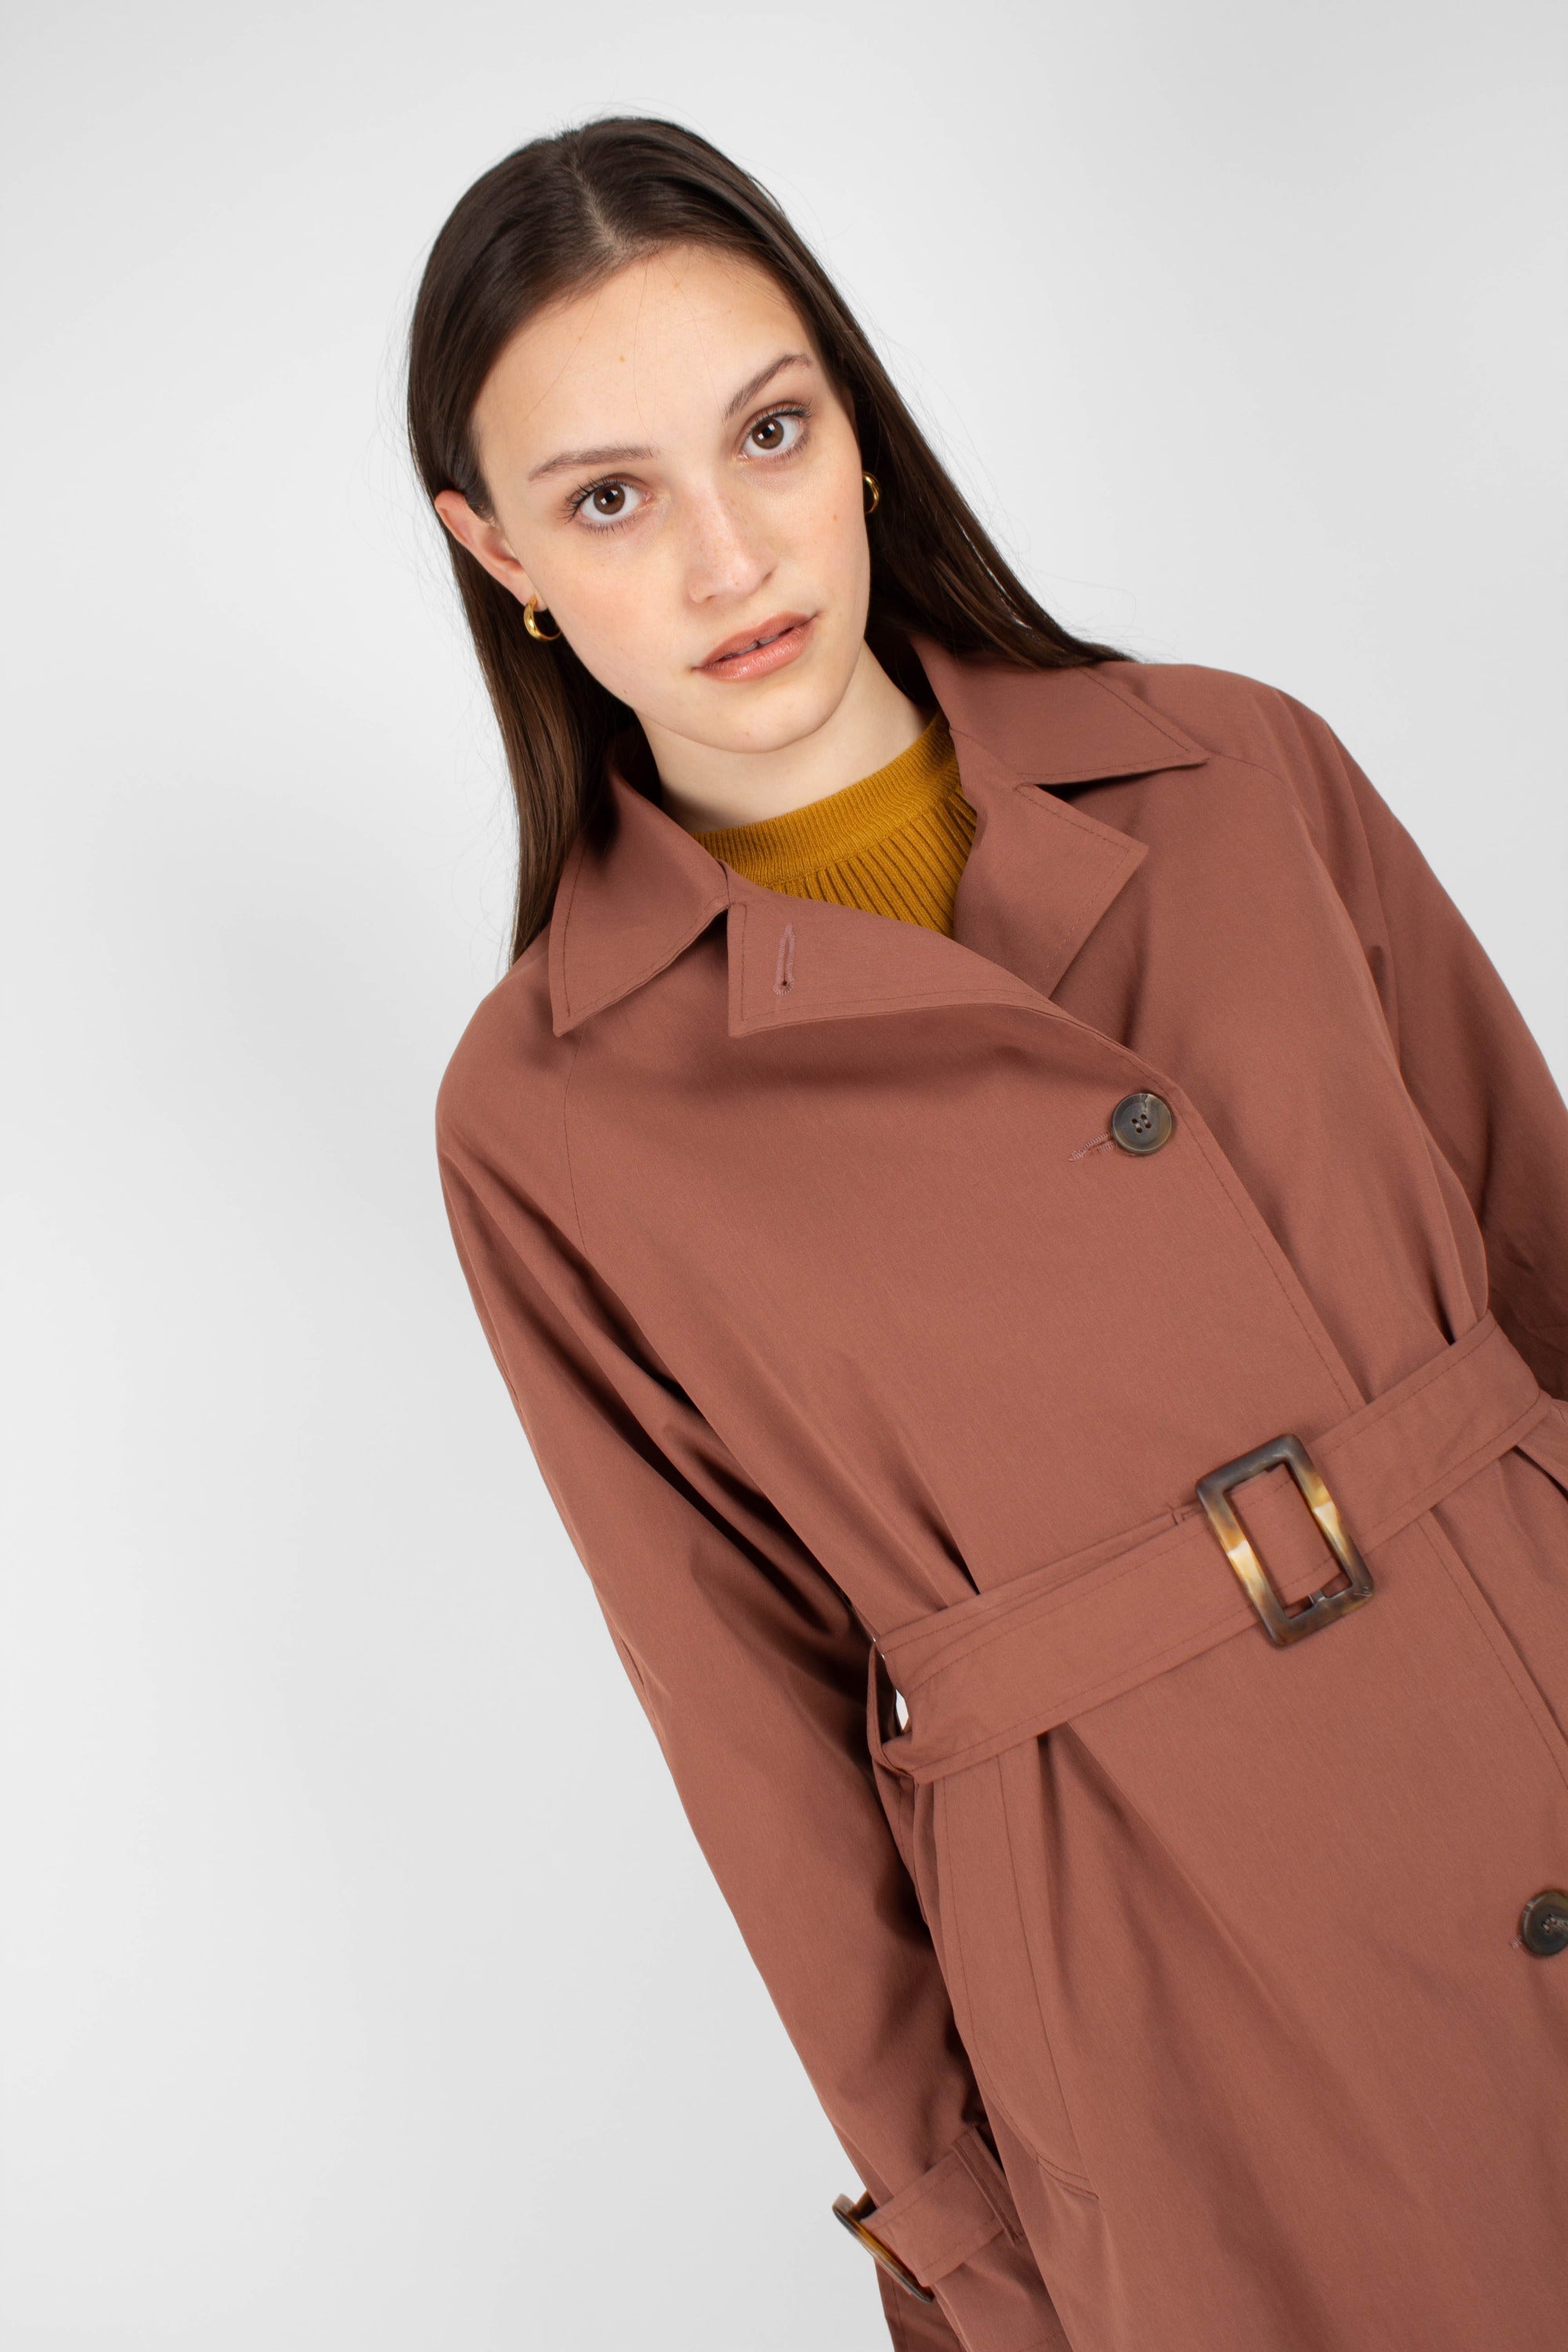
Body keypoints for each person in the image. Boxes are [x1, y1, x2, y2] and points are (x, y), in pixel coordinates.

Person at [408, 114, 1568, 2352]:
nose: (731, 556)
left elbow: (1542, 1249)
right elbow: (754, 1734)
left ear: (854, 426)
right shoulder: (549, 1114)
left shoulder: (1239, 770)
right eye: (611, 498)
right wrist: (965, 2236)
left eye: (767, 433)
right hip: (1172, 1993)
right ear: (500, 553)